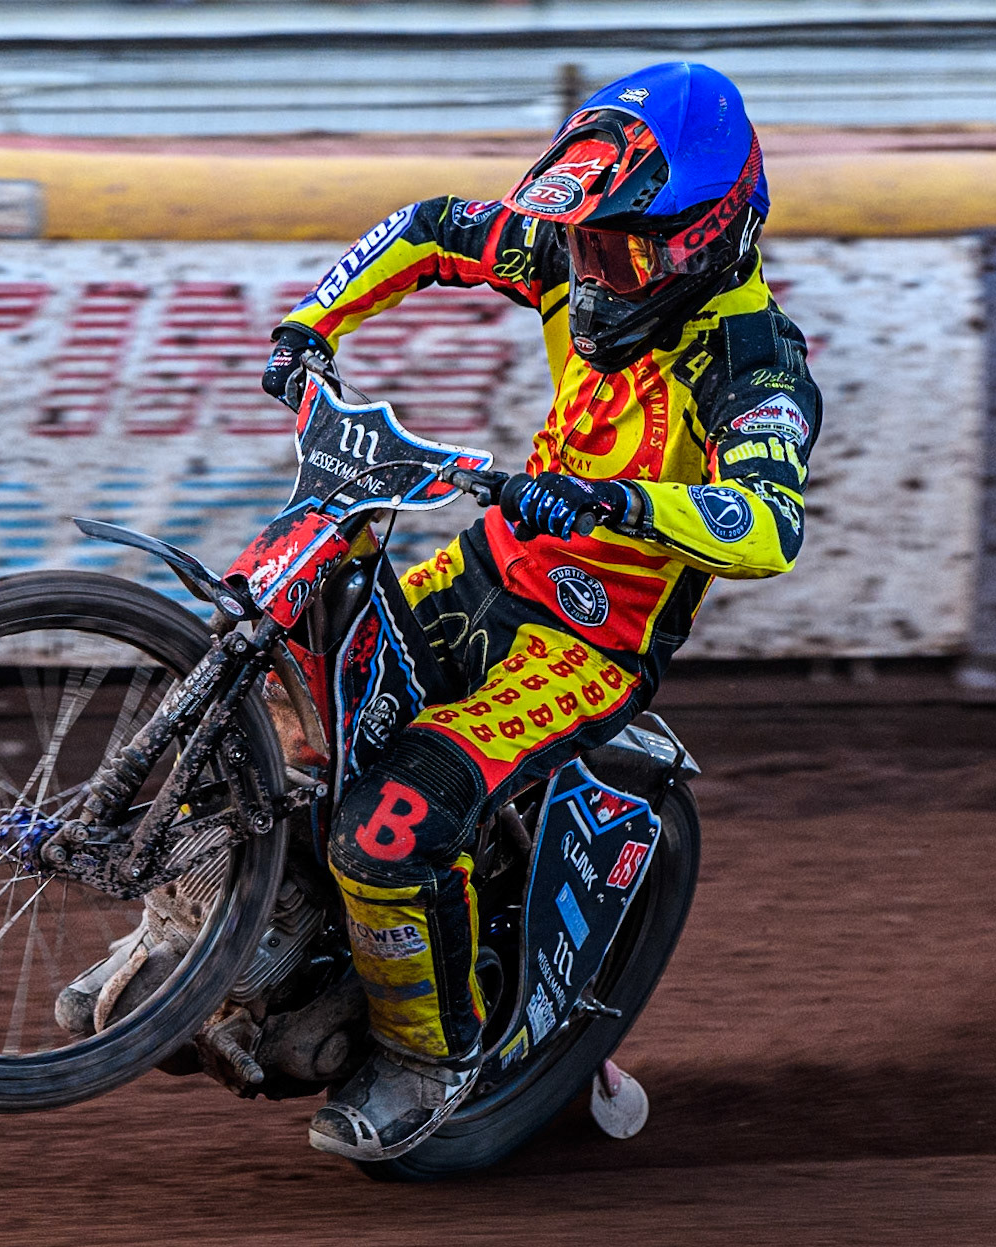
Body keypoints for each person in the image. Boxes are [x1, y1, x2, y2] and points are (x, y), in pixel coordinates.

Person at [255, 61, 823, 1161]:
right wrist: (310, 322)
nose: (591, 270)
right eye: (584, 245)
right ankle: (204, 939)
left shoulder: (752, 364)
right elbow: (427, 230)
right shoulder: (568, 248)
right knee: (283, 664)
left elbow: (765, 524)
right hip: (482, 572)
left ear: (705, 235)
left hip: (585, 642)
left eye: (617, 248)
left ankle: (428, 1061)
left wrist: (614, 501)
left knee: (390, 830)